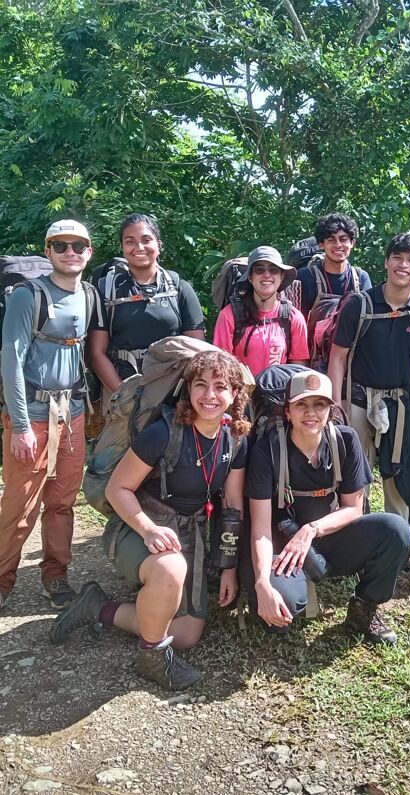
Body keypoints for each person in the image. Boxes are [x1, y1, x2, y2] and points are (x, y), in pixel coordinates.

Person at [49, 351, 250, 689]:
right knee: (170, 569)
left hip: (188, 536)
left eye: (221, 387)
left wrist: (229, 566)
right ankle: (152, 656)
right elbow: (118, 489)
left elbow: (232, 506)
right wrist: (149, 529)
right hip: (136, 529)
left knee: (185, 634)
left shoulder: (235, 439)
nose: (210, 396)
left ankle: (97, 607)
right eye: (201, 385)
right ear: (188, 390)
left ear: (235, 395)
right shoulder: (164, 432)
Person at [242, 370, 410, 644]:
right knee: (281, 611)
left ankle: (363, 608)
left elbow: (354, 509)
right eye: (301, 405)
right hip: (282, 546)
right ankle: (290, 587)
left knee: (396, 530)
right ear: (288, 412)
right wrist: (262, 583)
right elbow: (260, 529)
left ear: (331, 410)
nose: (311, 413)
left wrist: (311, 530)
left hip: (328, 536)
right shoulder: (267, 450)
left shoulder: (345, 440)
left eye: (319, 404)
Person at [328, 233, 410, 576]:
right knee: (353, 479)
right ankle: (353, 550)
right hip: (357, 402)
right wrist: (334, 407)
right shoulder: (359, 304)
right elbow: (337, 359)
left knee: (398, 479)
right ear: (386, 261)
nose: (403, 266)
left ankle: (397, 552)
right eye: (398, 258)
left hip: (400, 407)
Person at [0, 220, 99, 610]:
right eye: (60, 246)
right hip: (32, 417)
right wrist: (21, 426)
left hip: (71, 416)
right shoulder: (29, 295)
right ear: (48, 252)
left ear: (89, 252)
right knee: (19, 504)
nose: (70, 252)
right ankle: (3, 578)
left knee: (61, 502)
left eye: (78, 245)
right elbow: (11, 360)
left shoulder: (88, 295)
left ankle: (56, 575)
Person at [88, 213, 205, 399]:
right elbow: (96, 352)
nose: (138, 247)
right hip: (122, 391)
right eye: (130, 241)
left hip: (175, 393)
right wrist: (123, 397)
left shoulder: (179, 288)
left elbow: (198, 350)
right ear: (122, 247)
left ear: (159, 244)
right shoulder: (108, 290)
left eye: (146, 239)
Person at [213, 245, 309, 374]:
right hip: (240, 391)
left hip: (279, 392)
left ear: (281, 277)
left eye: (274, 270)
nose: (267, 275)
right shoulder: (230, 315)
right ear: (250, 277)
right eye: (259, 270)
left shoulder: (293, 317)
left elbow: (298, 367)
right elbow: (221, 364)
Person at [294, 213, 372, 317]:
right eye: (331, 240)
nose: (338, 245)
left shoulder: (361, 278)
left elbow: (368, 319)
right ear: (321, 244)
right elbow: (293, 322)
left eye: (343, 239)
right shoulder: (304, 277)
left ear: (352, 243)